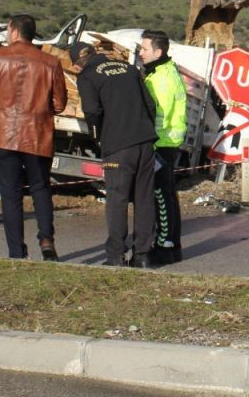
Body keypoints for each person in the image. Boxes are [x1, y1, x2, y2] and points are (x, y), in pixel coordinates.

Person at [0, 15, 66, 261]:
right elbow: (59, 104)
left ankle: (16, 251)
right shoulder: (51, 61)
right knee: (41, 188)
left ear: (13, 32)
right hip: (37, 134)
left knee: (11, 194)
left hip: (3, 133)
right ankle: (46, 241)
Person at [73, 41, 159, 268]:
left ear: (78, 63)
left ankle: (116, 256)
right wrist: (146, 129)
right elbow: (151, 105)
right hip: (145, 140)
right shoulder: (129, 69)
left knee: (117, 200)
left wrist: (97, 137)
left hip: (118, 146)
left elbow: (92, 111)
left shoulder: (87, 76)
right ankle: (142, 255)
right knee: (144, 198)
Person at [138, 29, 187, 264]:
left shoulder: (163, 77)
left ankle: (165, 246)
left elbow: (161, 115)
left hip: (162, 143)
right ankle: (170, 244)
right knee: (166, 195)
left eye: (144, 48)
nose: (140, 52)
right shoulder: (160, 71)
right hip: (165, 142)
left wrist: (149, 142)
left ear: (158, 51)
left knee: (161, 196)